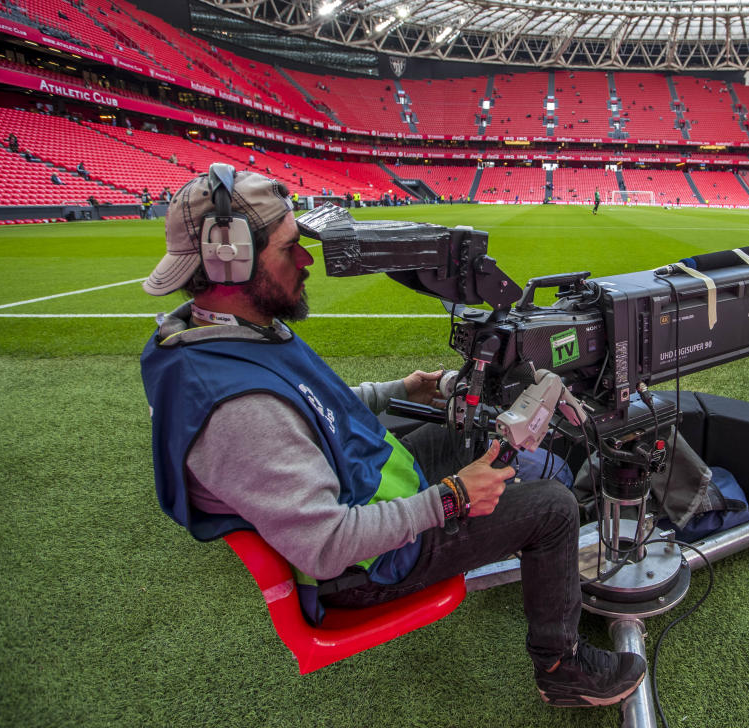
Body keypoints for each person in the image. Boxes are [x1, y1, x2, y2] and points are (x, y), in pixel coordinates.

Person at [139, 168, 645, 708]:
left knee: (462, 425)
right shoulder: (240, 410)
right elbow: (328, 546)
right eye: (291, 248)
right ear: (230, 261)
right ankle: (561, 667)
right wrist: (451, 497)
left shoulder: (225, 335)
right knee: (553, 507)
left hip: (362, 479)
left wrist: (395, 389)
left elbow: (312, 410)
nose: (307, 260)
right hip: (363, 565)